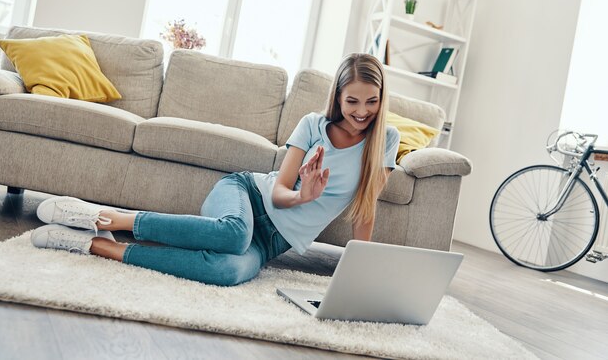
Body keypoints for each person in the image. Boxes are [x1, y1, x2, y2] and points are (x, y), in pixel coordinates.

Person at [30, 52, 401, 286]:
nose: (362, 111)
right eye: (352, 100)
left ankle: (95, 245)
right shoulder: (312, 125)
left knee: (229, 272)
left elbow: (365, 210)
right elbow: (277, 192)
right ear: (337, 96)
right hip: (246, 194)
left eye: (371, 102)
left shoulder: (384, 140)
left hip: (271, 241)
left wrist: (358, 272)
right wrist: (303, 194)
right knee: (234, 235)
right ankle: (107, 218)